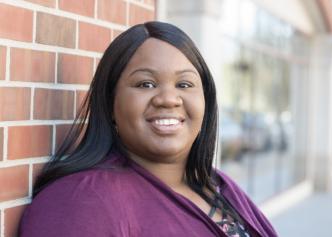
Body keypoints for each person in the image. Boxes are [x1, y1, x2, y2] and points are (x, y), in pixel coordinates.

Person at [18, 21, 278, 237]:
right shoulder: (80, 202)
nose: (168, 98)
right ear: (110, 102)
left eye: (184, 85)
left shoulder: (215, 184)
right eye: (145, 84)